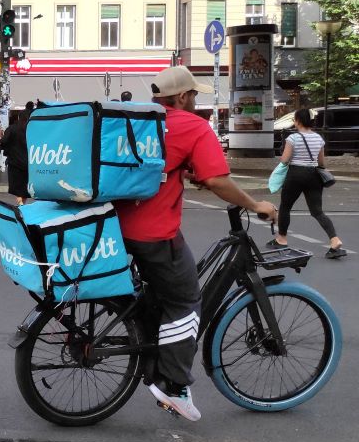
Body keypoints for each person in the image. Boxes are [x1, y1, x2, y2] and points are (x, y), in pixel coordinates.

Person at [114, 66, 277, 422]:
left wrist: (187, 173)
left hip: (117, 225)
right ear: (184, 96)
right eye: (194, 95)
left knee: (160, 297)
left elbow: (156, 164)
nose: (196, 100)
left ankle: (153, 356)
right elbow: (218, 179)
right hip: (154, 233)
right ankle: (173, 386)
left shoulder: (139, 120)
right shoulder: (193, 126)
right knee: (187, 300)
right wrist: (255, 204)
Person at [269, 109, 346, 259]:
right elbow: (321, 162)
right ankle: (334, 240)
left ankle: (282, 239)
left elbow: (284, 160)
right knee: (317, 211)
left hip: (296, 174)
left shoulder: (293, 138)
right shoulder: (319, 138)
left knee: (285, 206)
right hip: (314, 176)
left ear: (297, 121)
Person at [0, 109, 29, 204]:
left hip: (15, 161)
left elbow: (3, 142)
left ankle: (21, 204)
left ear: (19, 118)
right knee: (25, 186)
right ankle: (23, 204)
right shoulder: (32, 129)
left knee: (17, 186)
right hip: (29, 162)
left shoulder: (12, 128)